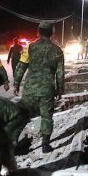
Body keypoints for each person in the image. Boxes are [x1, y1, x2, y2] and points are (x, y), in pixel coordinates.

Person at [13, 21, 65, 153]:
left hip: (30, 89)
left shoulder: (30, 47)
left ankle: (13, 142)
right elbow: (60, 73)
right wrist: (60, 90)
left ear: (38, 32)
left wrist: (16, 83)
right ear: (52, 33)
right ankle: (45, 146)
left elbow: (21, 66)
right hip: (47, 90)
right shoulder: (58, 50)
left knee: (22, 115)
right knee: (47, 117)